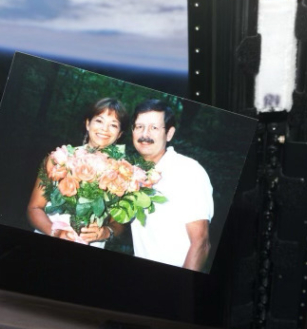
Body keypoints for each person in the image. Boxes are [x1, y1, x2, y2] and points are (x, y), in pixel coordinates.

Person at [122, 99, 214, 271]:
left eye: (154, 128)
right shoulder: (132, 173)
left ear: (169, 134)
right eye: (139, 126)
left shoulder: (188, 170)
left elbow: (201, 243)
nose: (145, 134)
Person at [27, 97, 127, 245]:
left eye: (113, 125)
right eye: (99, 121)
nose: (104, 129)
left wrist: (106, 232)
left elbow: (118, 223)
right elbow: (34, 208)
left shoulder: (123, 173)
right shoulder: (59, 158)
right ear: (88, 124)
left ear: (119, 134)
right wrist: (55, 232)